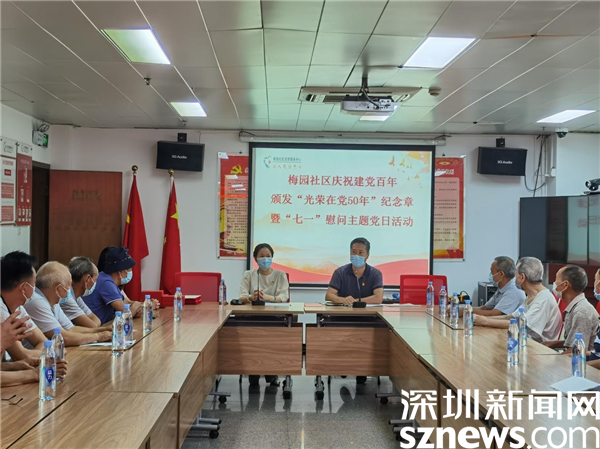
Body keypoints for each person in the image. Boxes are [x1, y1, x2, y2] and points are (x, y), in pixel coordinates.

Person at [0, 252, 67, 383]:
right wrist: (34, 374)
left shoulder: (17, 307)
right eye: (34, 284)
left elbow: (44, 343)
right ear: (24, 287)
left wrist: (17, 366)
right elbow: (22, 354)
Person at [473, 257, 562, 342]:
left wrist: (485, 321)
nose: (514, 278)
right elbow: (511, 317)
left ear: (522, 277)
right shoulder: (532, 296)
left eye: (515, 275)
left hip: (539, 348)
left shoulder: (544, 299)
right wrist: (482, 319)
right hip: (524, 342)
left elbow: (521, 325)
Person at [24, 261, 112, 346]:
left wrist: (103, 330)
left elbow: (71, 329)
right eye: (68, 287)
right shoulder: (37, 302)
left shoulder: (53, 301)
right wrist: (98, 336)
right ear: (58, 289)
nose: (69, 292)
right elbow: (63, 337)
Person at [239, 243, 289, 387]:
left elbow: (283, 297)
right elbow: (242, 296)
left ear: (272, 257)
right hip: (252, 317)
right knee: (252, 341)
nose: (265, 259)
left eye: (268, 256)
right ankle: (253, 374)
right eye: (261, 256)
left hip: (274, 317)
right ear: (255, 258)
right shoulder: (249, 275)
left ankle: (271, 375)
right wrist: (251, 297)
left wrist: (267, 298)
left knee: (269, 341)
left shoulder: (280, 275)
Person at [544, 265, 599, 351]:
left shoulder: (581, 312)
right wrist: (553, 343)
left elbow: (577, 351)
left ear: (565, 285)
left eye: (556, 279)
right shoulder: (575, 307)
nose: (554, 283)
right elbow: (572, 341)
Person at [83, 247, 142, 325]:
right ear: (120, 272)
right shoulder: (105, 282)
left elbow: (127, 306)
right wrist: (136, 305)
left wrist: (140, 307)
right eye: (129, 269)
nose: (131, 272)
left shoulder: (110, 281)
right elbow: (126, 314)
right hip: (93, 328)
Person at [325, 237, 384, 305]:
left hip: (367, 311)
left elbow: (378, 298)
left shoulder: (375, 274)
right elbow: (329, 296)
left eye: (360, 252)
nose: (356, 255)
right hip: (344, 311)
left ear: (367, 255)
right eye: (354, 252)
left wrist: (355, 302)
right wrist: (343, 300)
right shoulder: (340, 272)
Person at [63, 257, 104, 328]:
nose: (95, 283)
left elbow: (94, 318)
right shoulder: (66, 297)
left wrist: (95, 327)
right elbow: (92, 326)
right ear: (87, 279)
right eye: (95, 280)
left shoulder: (77, 296)